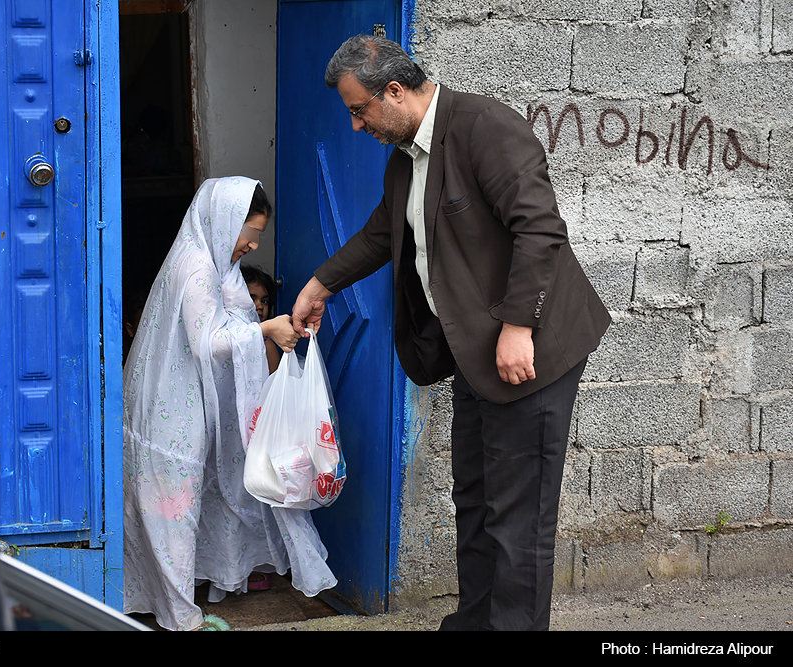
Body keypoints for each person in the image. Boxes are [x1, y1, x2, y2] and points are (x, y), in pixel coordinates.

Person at [291, 35, 610, 631]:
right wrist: (321, 283)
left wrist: (519, 326)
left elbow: (540, 230)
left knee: (519, 515)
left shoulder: (484, 126)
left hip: (532, 350)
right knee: (477, 499)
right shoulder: (407, 156)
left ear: (394, 91)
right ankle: (475, 622)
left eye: (359, 110)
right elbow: (384, 235)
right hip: (475, 353)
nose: (357, 126)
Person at [123, 176, 336, 631]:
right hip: (173, 405)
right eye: (251, 233)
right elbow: (207, 342)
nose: (253, 245)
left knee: (197, 497)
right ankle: (180, 613)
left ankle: (216, 578)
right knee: (172, 507)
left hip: (193, 401)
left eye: (257, 235)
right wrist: (267, 329)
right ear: (225, 221)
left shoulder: (217, 263)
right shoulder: (197, 265)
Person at [242, 265, 282, 374]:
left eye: (264, 301)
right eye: (252, 299)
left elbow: (273, 388)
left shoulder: (266, 346)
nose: (259, 306)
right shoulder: (222, 338)